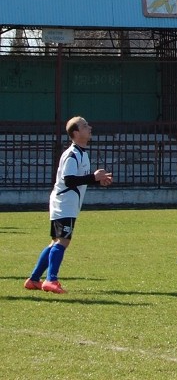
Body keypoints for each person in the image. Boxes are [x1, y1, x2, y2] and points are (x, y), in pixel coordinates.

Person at [24, 116, 113, 294]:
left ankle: (34, 280)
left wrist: (97, 180)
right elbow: (69, 180)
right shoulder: (72, 155)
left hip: (67, 203)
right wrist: (93, 177)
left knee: (55, 242)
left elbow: (78, 180)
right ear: (75, 133)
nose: (90, 127)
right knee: (63, 241)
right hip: (64, 202)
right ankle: (51, 280)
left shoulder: (82, 153)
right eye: (85, 126)